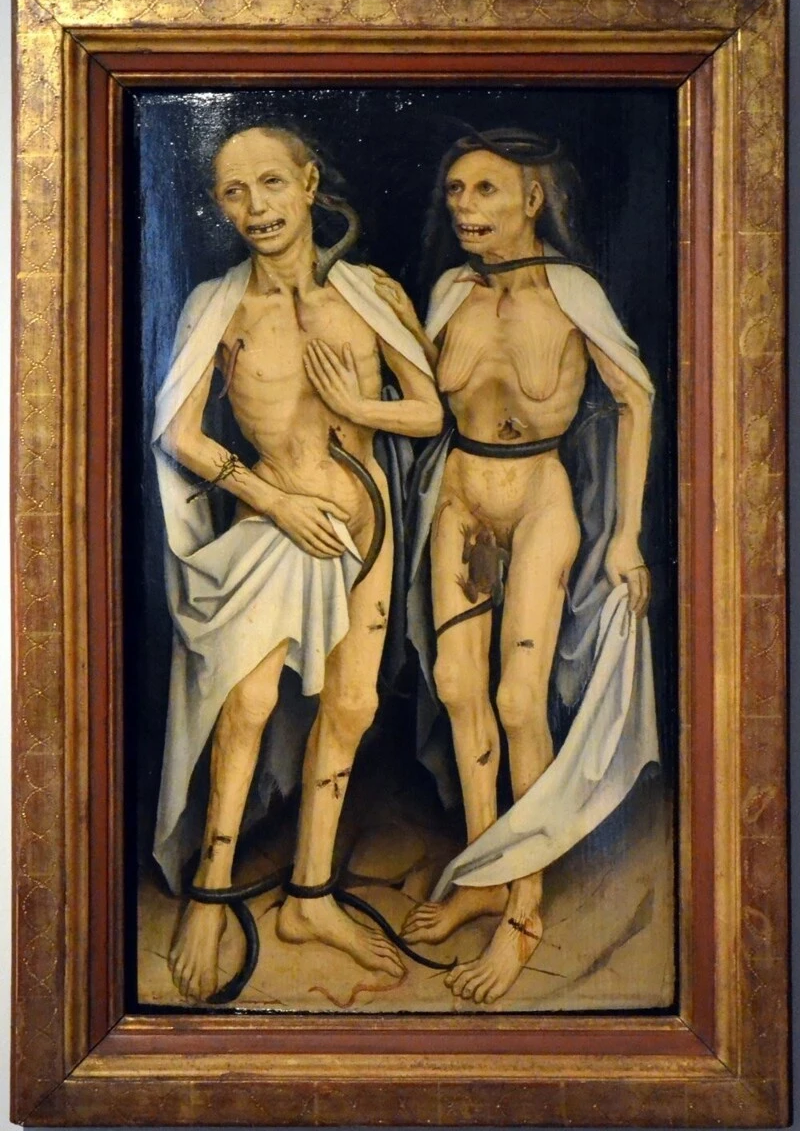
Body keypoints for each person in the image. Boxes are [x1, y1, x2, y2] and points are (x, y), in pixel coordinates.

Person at [151, 124, 442, 1002]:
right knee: (247, 706)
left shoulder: (371, 293)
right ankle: (210, 891)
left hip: (366, 528)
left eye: (271, 183)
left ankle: (311, 898)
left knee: (353, 705)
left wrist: (360, 404)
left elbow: (429, 411)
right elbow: (180, 432)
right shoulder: (219, 306)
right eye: (233, 192)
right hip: (273, 526)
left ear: (309, 183)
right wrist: (276, 501)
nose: (256, 208)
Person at [379, 127, 659, 1004]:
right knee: (459, 687)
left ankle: (525, 911)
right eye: (455, 191)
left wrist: (627, 536)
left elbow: (638, 396)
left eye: (486, 190)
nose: (465, 208)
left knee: (517, 700)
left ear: (533, 199)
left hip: (539, 502)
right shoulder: (449, 292)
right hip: (460, 503)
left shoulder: (573, 292)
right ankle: (488, 870)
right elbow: (414, 400)